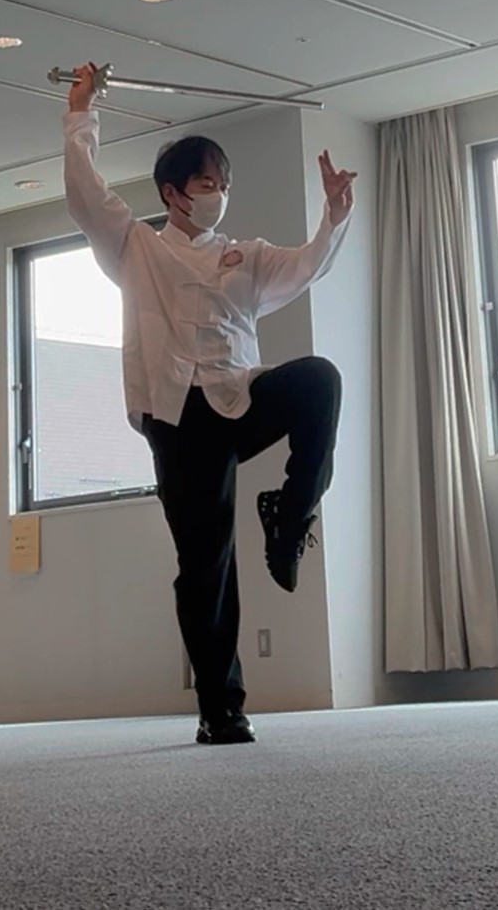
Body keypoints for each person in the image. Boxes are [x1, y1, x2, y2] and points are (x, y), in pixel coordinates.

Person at [61, 62, 355, 745]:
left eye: (223, 184)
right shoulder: (134, 246)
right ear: (172, 193)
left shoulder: (244, 256)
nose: (218, 193)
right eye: (205, 184)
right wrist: (81, 111)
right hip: (178, 417)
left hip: (237, 397)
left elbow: (307, 265)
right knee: (205, 562)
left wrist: (334, 216)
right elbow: (85, 193)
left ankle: (289, 515)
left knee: (319, 380)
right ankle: (221, 709)